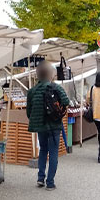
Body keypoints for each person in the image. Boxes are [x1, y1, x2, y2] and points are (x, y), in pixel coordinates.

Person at [26, 61, 69, 190]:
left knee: (43, 150)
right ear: (51, 74)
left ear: (37, 75)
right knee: (53, 153)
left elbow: (29, 112)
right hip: (54, 125)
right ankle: (50, 182)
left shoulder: (32, 91)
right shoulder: (56, 88)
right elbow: (66, 101)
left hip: (40, 126)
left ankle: (40, 178)